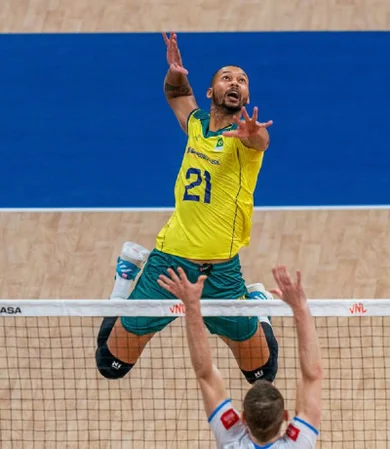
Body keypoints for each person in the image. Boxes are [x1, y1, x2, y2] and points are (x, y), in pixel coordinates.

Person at [94, 32, 278, 385]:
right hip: (168, 263)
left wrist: (254, 133)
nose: (234, 83)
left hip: (221, 274)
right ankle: (124, 282)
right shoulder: (196, 126)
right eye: (227, 78)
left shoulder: (244, 142)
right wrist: (176, 72)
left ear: (246, 96)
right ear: (212, 93)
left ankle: (259, 306)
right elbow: (177, 93)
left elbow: (261, 141)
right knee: (111, 363)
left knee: (261, 374)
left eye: (241, 80)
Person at [157, 265, 322, 448]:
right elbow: (312, 375)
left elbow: (205, 373)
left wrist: (192, 306)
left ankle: (261, 314)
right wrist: (300, 308)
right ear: (285, 416)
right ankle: (261, 314)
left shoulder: (231, 440)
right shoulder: (299, 444)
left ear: (243, 418)